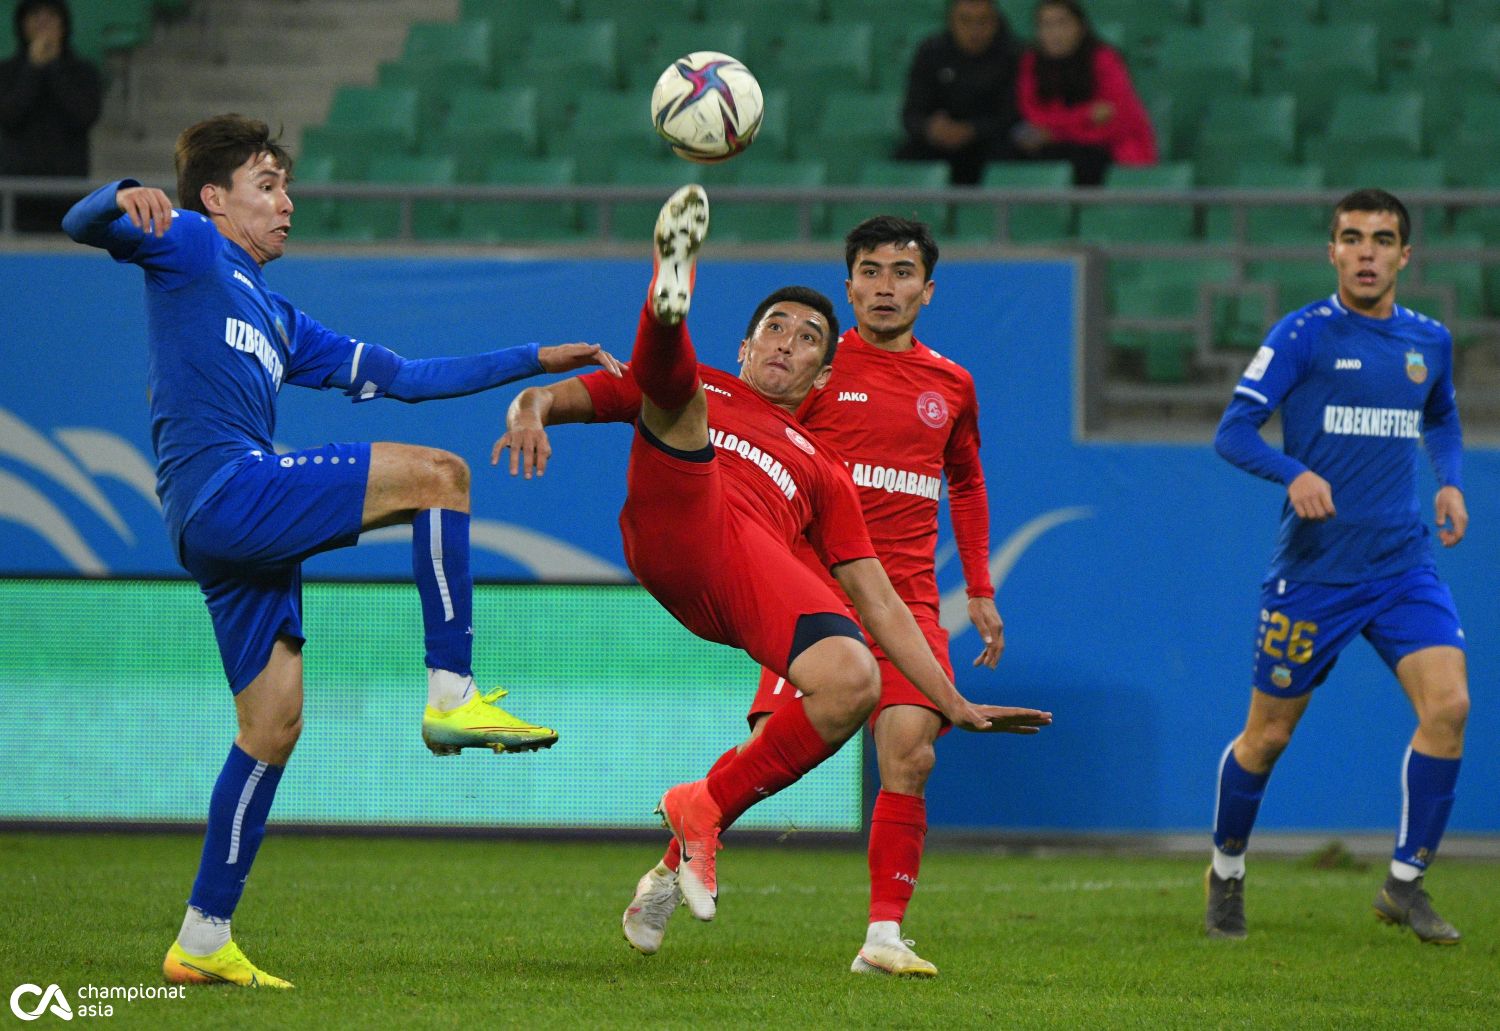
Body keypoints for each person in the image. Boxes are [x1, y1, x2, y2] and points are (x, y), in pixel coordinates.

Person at [62, 114, 622, 988]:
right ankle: (453, 695)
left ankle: (201, 941)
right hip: (226, 491)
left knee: (272, 726)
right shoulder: (192, 248)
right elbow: (82, 224)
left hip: (225, 529)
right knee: (441, 474)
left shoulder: (275, 314)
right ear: (214, 199)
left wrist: (534, 358)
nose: (287, 203)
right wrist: (117, 195)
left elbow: (404, 376)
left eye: (287, 185)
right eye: (267, 184)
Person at [495, 185, 1051, 944]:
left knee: (855, 692)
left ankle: (759, 873)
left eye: (805, 337)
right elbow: (595, 392)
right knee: (677, 396)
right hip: (683, 520)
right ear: (746, 345)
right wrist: (532, 405)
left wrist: (956, 694)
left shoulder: (836, 460)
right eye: (774, 329)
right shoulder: (717, 387)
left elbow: (888, 585)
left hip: (756, 577)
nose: (788, 342)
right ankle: (667, 299)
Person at [614, 215, 1003, 977]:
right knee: (773, 753)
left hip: (907, 595)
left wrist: (980, 585)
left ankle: (884, 935)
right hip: (811, 589)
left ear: (928, 288)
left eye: (901, 272)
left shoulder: (951, 384)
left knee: (911, 753)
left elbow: (968, 478)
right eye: (869, 271)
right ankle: (670, 865)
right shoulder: (816, 364)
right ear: (849, 282)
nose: (884, 287)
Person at [1205, 189, 1469, 944]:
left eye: (1382, 239)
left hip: (1402, 566)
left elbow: (1441, 414)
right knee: (1267, 738)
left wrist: (1447, 478)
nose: (1365, 251)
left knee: (1448, 707)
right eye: (1351, 237)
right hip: (1315, 574)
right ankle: (1225, 870)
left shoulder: (1429, 341)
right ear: (1331, 250)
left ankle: (1405, 883)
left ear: (1404, 255)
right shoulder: (1303, 335)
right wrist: (1292, 471)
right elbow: (1233, 431)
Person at [1014, 0, 1155, 186]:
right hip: (1059, 144)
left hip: (1108, 148)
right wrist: (1087, 115)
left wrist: (1056, 133)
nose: (1055, 33)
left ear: (1081, 27)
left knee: (1084, 159)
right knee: (1013, 151)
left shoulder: (1104, 59)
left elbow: (1119, 122)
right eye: (1046, 25)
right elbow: (1034, 115)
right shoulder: (1031, 61)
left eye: (1062, 23)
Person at [896, 0, 1024, 186]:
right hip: (939, 144)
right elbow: (911, 114)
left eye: (983, 20)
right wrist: (930, 128)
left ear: (996, 22)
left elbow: (1013, 115)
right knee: (906, 159)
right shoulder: (931, 52)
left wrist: (972, 130)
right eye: (965, 20)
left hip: (989, 144)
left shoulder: (1014, 55)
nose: (975, 29)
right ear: (951, 22)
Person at [0, 0, 102, 231]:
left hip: (68, 190)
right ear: (22, 24)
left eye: (51, 16)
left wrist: (54, 68)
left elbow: (84, 116)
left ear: (64, 25)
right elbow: (9, 116)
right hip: (15, 193)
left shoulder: (83, 72)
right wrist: (33, 69)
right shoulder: (6, 73)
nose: (43, 23)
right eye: (35, 15)